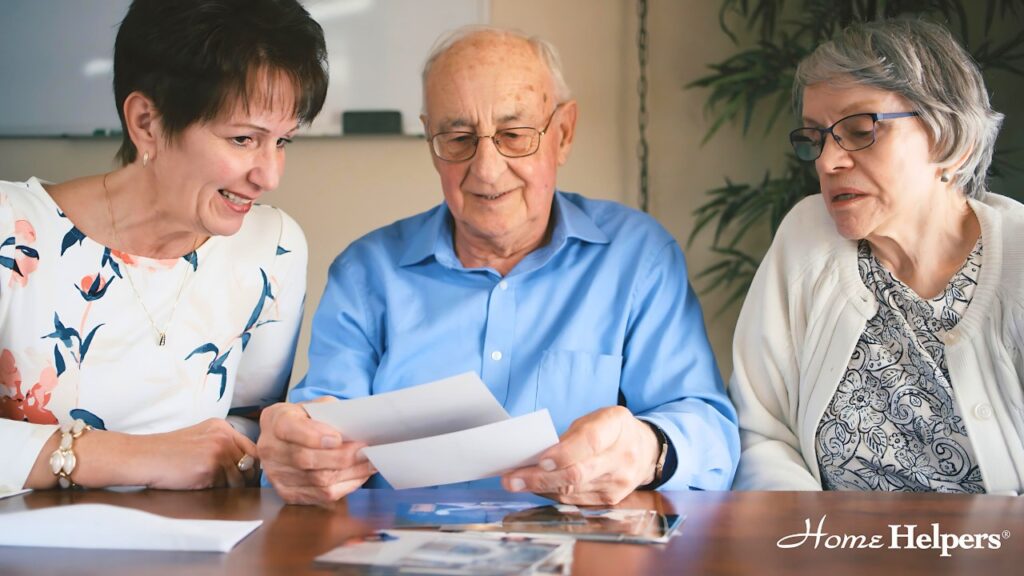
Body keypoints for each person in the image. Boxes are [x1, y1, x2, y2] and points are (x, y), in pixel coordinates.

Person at [258, 26, 739, 506]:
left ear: (563, 134)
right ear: (431, 142)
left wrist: (647, 449)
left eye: (514, 135)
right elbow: (319, 422)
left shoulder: (637, 258)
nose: (486, 169)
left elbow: (706, 426)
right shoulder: (367, 272)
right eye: (458, 138)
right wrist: (302, 451)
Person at [0, 0, 327, 491]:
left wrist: (287, 445)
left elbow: (244, 426)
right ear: (147, 122)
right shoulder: (13, 230)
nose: (269, 175)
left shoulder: (272, 249)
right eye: (242, 139)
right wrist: (128, 456)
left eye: (283, 141)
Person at [729, 19, 1023, 493]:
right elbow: (762, 431)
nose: (828, 162)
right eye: (816, 137)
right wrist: (812, 549)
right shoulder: (806, 238)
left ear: (952, 140)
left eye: (861, 129)